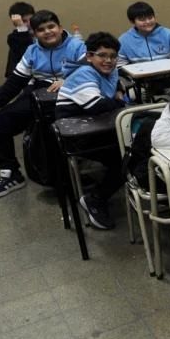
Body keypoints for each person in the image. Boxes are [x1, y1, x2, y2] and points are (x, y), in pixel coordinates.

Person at [0, 9, 86, 198]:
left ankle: (71, 171)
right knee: (0, 122)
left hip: (72, 93)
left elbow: (92, 72)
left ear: (60, 27)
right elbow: (15, 81)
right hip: (41, 93)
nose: (47, 32)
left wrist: (69, 81)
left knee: (52, 131)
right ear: (35, 34)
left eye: (51, 27)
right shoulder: (32, 51)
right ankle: (10, 173)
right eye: (41, 30)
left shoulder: (77, 46)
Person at [55, 32, 126, 229]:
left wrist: (119, 94)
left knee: (134, 148)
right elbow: (97, 105)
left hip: (100, 128)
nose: (108, 60)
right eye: (102, 55)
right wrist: (119, 101)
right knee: (127, 158)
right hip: (78, 135)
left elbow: (116, 85)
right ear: (89, 57)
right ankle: (95, 198)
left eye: (113, 56)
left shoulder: (110, 71)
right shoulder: (83, 74)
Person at [117, 1, 170, 65]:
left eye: (150, 18)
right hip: (139, 78)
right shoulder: (124, 40)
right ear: (132, 22)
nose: (148, 22)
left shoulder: (168, 34)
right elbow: (120, 66)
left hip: (169, 76)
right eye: (142, 19)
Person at [5, 1, 35, 78]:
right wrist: (22, 28)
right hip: (23, 79)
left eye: (31, 19)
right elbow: (28, 55)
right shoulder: (15, 38)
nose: (29, 24)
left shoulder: (44, 34)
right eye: (24, 21)